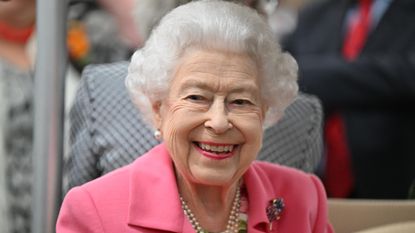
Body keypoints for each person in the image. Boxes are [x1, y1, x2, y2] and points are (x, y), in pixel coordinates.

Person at [57, 1, 333, 232]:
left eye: (240, 101)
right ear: (158, 109)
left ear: (263, 113)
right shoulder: (93, 208)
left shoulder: (304, 197)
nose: (219, 122)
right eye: (197, 98)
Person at [283, 0, 415, 199]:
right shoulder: (314, 14)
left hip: (393, 186)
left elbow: (405, 74)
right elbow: (277, 70)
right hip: (313, 183)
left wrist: (307, 74)